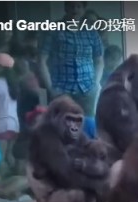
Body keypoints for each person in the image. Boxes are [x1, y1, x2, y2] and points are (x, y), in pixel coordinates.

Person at [38, 1, 103, 139]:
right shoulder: (53, 30)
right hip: (61, 88)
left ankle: (87, 158)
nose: (75, 9)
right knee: (60, 129)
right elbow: (42, 60)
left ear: (83, 9)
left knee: (87, 128)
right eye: (72, 5)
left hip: (86, 88)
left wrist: (95, 84)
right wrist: (50, 88)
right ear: (66, 7)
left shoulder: (91, 31)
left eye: (78, 6)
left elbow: (99, 60)